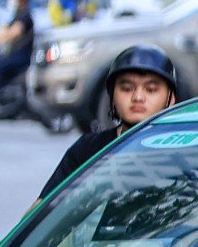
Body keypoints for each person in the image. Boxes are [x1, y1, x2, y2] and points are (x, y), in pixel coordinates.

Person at [40, 45, 182, 197]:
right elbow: (40, 213)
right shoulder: (87, 150)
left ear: (170, 99)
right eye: (127, 88)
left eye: (151, 89)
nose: (138, 97)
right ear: (112, 96)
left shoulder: (186, 153)